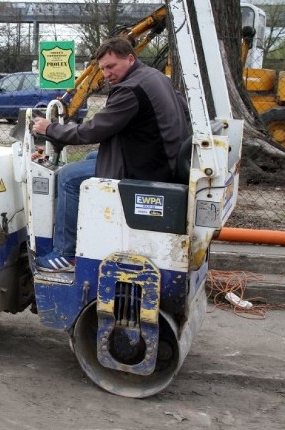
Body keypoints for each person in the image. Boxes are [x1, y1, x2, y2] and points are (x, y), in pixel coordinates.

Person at [31, 36, 190, 272]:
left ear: (130, 58)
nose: (106, 74)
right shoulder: (154, 76)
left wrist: (50, 129)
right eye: (103, 68)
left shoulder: (130, 90)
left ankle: (65, 254)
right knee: (89, 159)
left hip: (148, 166)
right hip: (160, 154)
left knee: (68, 177)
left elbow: (93, 131)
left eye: (111, 66)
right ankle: (92, 230)